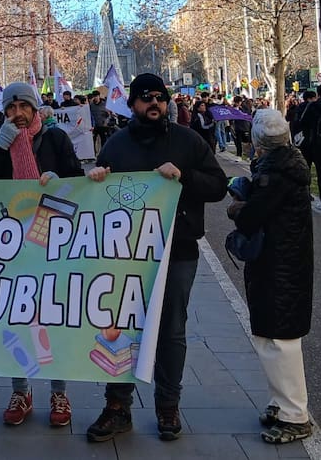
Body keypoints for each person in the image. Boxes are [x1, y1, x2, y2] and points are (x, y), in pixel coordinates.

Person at [85, 74, 228, 443]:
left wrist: (185, 177)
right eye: (146, 98)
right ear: (132, 104)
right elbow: (97, 201)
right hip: (124, 258)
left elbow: (218, 185)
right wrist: (97, 180)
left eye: (160, 98)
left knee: (171, 332)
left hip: (177, 252)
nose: (154, 103)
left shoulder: (187, 140)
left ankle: (168, 406)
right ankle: (117, 406)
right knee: (118, 329)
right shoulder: (115, 146)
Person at [0, 82, 82, 427]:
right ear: (4, 111)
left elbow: (77, 184)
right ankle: (20, 389)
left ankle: (59, 391)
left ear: (35, 109)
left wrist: (59, 180)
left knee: (52, 316)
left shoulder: (55, 139)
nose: (18, 114)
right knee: (16, 318)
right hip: (9, 242)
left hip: (51, 243)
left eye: (24, 106)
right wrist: (0, 149)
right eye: (11, 107)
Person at [226, 108, 314, 444]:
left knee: (281, 341)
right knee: (270, 337)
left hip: (281, 265)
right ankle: (281, 402)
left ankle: (295, 414)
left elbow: (251, 218)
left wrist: (238, 207)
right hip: (280, 263)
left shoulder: (275, 174)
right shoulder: (282, 167)